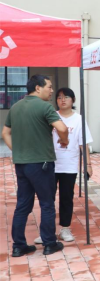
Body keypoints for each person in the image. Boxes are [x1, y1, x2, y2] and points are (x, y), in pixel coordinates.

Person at [2, 75, 68, 257]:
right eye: (49, 87)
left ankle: (18, 246)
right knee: (47, 204)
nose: (52, 90)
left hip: (21, 164)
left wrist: (18, 150)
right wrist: (65, 140)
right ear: (38, 88)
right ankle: (49, 244)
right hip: (42, 163)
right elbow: (62, 128)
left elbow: (5, 133)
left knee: (23, 205)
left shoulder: (15, 107)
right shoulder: (45, 107)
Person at [34, 88, 93, 245]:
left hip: (69, 164)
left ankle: (65, 228)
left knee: (66, 198)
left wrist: (88, 164)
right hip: (50, 164)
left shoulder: (79, 119)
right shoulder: (51, 116)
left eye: (66, 97)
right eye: (59, 97)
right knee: (47, 199)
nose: (63, 100)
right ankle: (47, 232)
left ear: (73, 100)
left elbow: (83, 144)